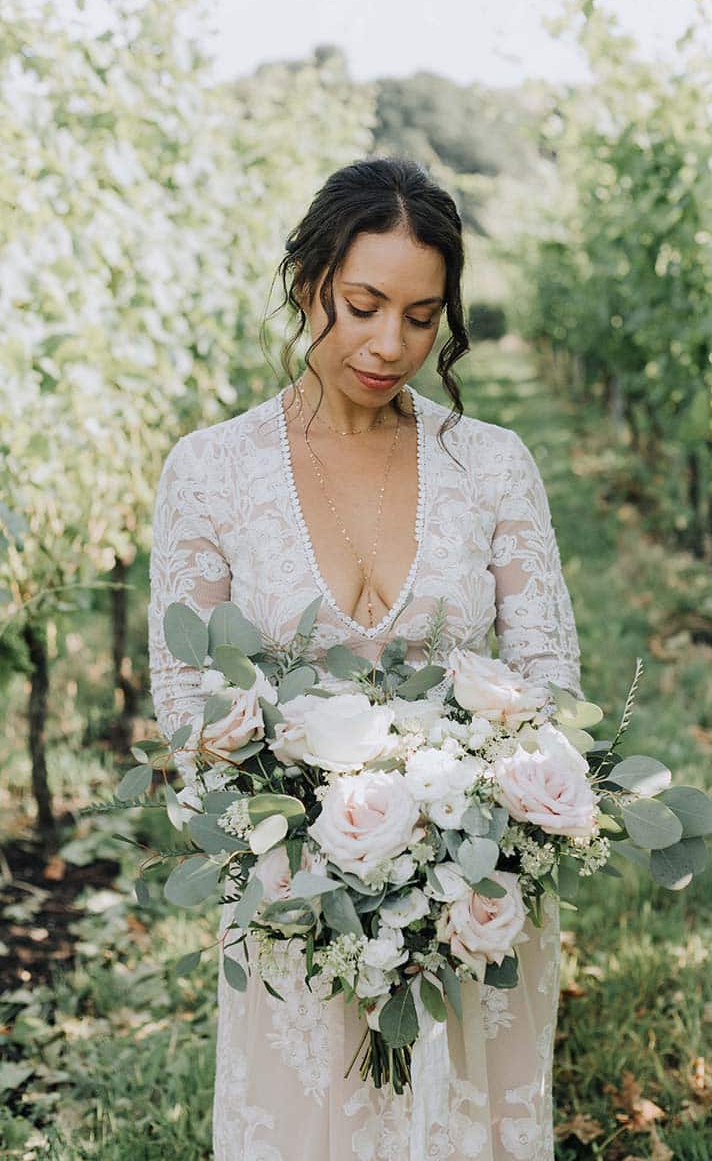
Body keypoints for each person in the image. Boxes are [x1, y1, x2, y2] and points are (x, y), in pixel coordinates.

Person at [148, 156, 584, 1161]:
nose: (391, 345)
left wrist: (460, 830)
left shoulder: (493, 464)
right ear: (309, 283)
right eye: (362, 305)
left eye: (423, 317)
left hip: (474, 897)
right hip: (294, 903)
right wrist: (302, 835)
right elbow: (187, 703)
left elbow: (549, 679)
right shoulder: (210, 472)